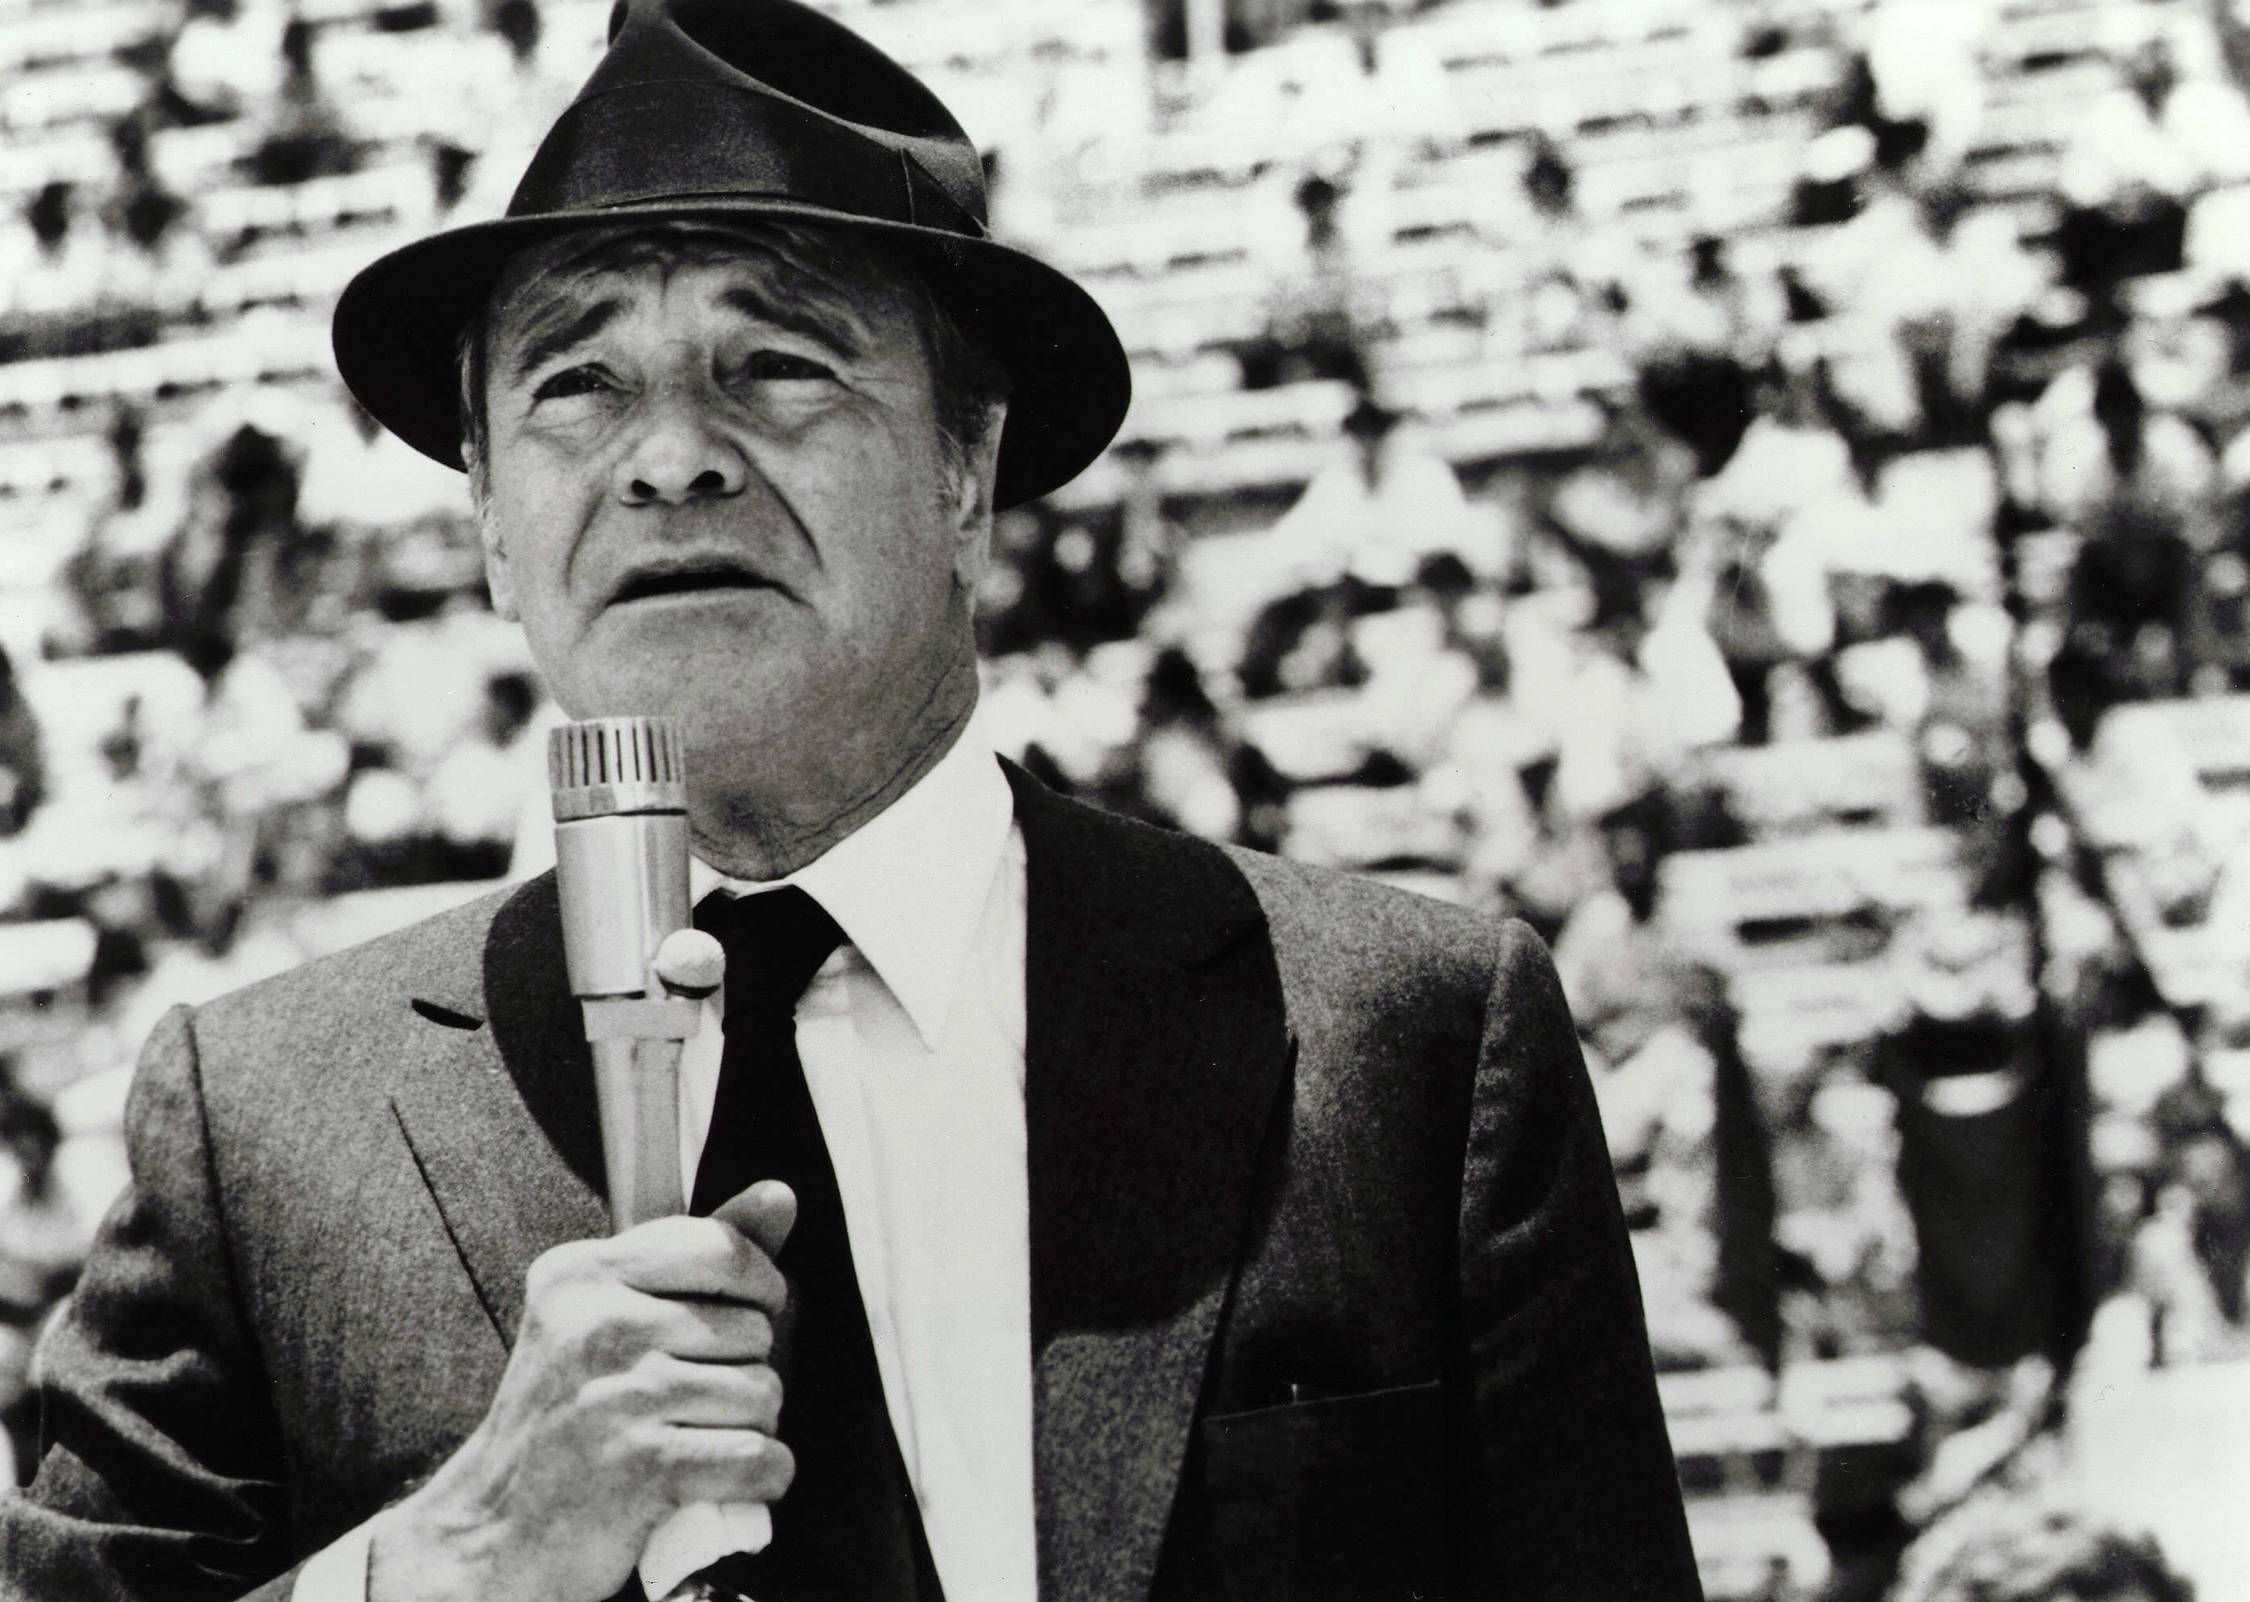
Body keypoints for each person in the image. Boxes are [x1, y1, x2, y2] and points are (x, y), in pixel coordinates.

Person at [0, 3, 1699, 1600]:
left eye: (778, 364)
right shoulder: (263, 1129)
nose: (671, 454)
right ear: (489, 525)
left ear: (967, 469)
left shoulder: (1400, 1045)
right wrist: (460, 1551)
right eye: (576, 384)